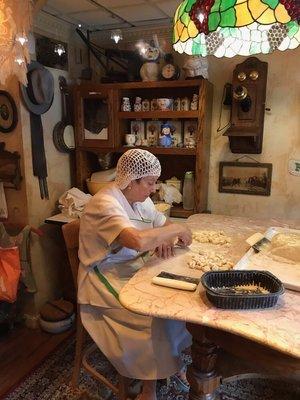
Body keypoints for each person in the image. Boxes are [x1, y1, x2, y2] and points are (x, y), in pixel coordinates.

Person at [78, 149, 193, 400]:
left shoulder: (141, 200)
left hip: (132, 268)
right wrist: (174, 231)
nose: (153, 189)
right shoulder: (104, 203)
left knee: (173, 301)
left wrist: (167, 234)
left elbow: (163, 226)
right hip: (103, 277)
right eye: (150, 183)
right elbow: (137, 241)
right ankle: (148, 388)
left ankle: (170, 363)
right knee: (149, 317)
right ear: (132, 181)